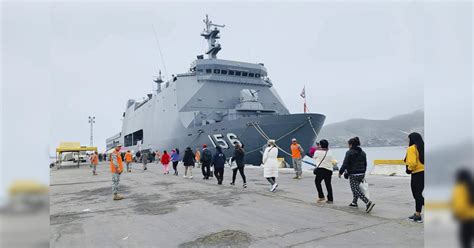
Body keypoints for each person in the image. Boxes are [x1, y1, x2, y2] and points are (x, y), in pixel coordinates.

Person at [338, 137, 375, 213]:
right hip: (361, 173)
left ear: (351, 145)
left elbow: (345, 163)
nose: (348, 146)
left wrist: (340, 172)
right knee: (356, 187)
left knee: (355, 189)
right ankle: (354, 202)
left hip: (353, 174)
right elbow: (365, 164)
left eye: (348, 144)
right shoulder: (363, 153)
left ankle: (368, 202)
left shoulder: (349, 152)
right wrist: (363, 173)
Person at [405, 132, 425, 223]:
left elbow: (412, 163)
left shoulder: (411, 148)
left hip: (417, 174)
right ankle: (418, 214)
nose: (408, 141)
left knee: (416, 195)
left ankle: (418, 215)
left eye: (409, 139)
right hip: (424, 173)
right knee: (419, 194)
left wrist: (408, 170)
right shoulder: (423, 147)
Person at [452, 169, 474, 248]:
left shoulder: (460, 188)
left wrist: (456, 214)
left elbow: (460, 207)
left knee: (466, 244)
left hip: (466, 220)